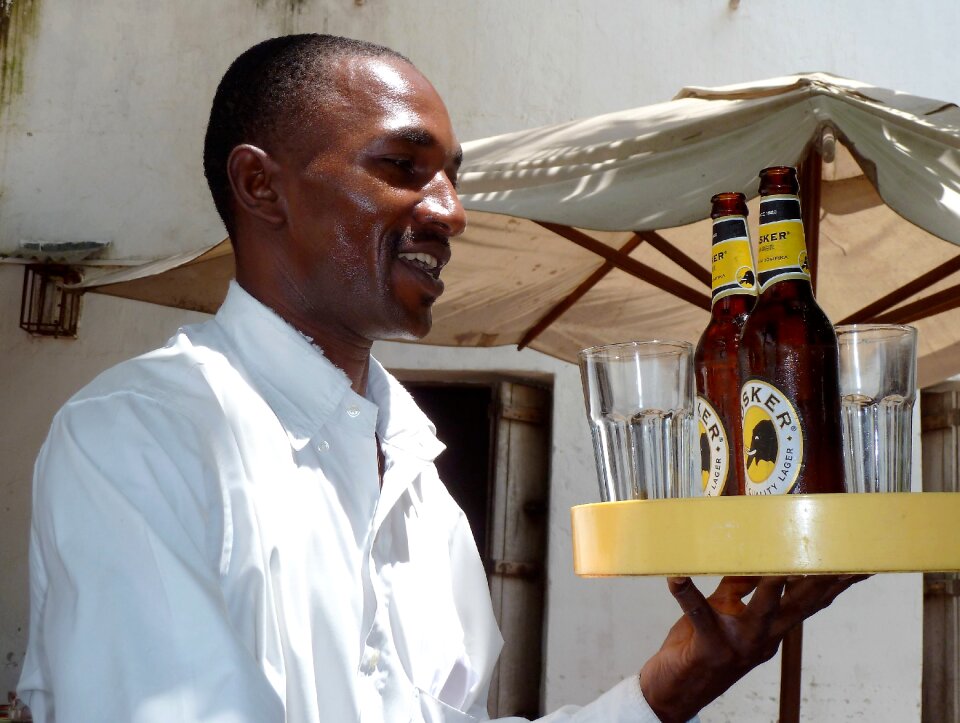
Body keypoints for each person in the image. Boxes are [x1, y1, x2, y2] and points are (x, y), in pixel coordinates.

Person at [18, 34, 860, 722]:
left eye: (452, 175)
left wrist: (672, 684)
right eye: (404, 167)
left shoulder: (420, 484)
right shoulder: (140, 438)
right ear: (260, 185)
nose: (453, 211)